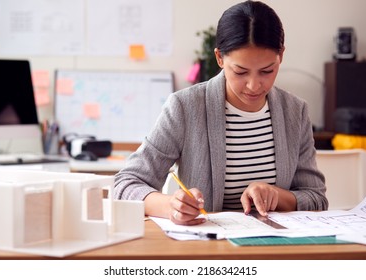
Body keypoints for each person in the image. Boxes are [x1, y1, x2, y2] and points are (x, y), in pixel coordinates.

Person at [113, 0, 328, 225]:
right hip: (210, 247)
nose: (254, 85)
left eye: (267, 71)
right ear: (219, 58)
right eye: (240, 71)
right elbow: (125, 184)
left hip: (275, 248)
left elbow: (316, 198)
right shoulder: (185, 107)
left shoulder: (295, 112)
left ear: (281, 56)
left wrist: (277, 195)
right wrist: (172, 206)